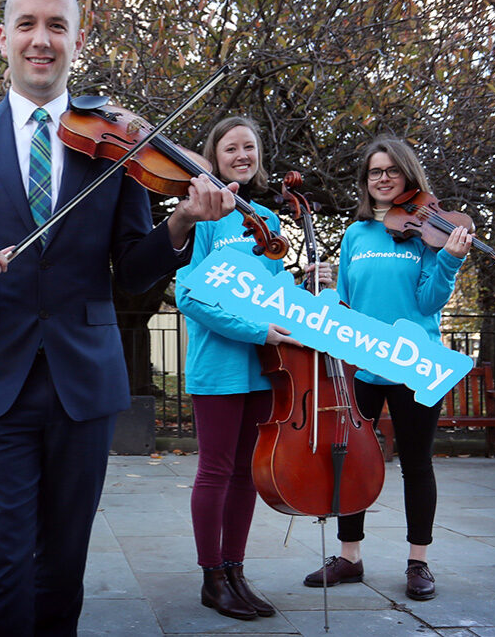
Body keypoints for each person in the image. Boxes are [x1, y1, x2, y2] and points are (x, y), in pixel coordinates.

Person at [0, 0, 237, 636]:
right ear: (2, 38)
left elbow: (135, 268)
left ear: (76, 41)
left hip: (83, 384)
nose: (41, 39)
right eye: (27, 24)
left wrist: (177, 227)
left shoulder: (118, 142)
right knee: (0, 565)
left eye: (56, 26)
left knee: (63, 568)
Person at [175, 117, 332, 620]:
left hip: (266, 368)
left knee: (247, 473)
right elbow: (189, 294)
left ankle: (236, 571)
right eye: (230, 148)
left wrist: (305, 282)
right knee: (216, 470)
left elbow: (271, 297)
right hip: (219, 364)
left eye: (250, 147)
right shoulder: (201, 214)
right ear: (215, 157)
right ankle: (211, 578)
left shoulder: (268, 218)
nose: (241, 155)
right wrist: (256, 331)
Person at [301, 136, 471, 601]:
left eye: (391, 171)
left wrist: (451, 262)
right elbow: (351, 302)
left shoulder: (428, 232)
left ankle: (419, 562)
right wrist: (326, 291)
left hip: (415, 362)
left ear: (407, 176)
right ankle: (349, 557)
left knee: (416, 464)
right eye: (374, 172)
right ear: (365, 181)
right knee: (350, 458)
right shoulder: (356, 234)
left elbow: (429, 301)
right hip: (362, 362)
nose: (382, 178)